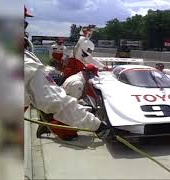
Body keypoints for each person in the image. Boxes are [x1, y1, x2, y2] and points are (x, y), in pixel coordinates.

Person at [24, 6, 111, 141]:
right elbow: (58, 102)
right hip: (72, 72)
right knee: (68, 121)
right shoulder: (26, 63)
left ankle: (48, 122)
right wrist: (97, 125)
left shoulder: (77, 44)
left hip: (71, 70)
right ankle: (50, 125)